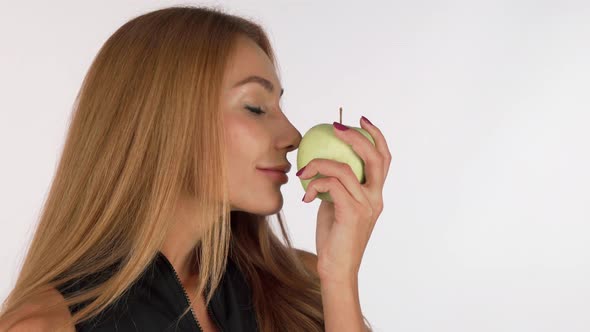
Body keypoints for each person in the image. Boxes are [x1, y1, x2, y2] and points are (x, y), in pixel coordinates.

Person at [0, 5, 390, 332]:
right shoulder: (43, 325)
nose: (292, 135)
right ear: (163, 121)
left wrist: (340, 279)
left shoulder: (306, 285)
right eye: (256, 107)